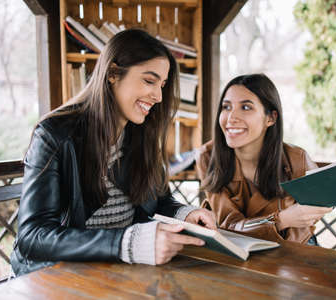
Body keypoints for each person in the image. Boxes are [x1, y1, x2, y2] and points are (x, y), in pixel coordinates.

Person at [11, 29, 215, 276]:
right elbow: (33, 237)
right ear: (112, 74)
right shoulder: (54, 134)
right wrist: (126, 243)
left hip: (120, 273)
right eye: (149, 81)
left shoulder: (141, 134)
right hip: (57, 276)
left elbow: (159, 201)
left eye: (162, 85)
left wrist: (187, 213)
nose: (159, 96)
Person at [196, 73, 331, 244]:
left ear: (271, 118)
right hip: (234, 246)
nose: (231, 118)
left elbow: (314, 213)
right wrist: (281, 220)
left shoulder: (298, 160)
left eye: (245, 107)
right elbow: (229, 226)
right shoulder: (207, 156)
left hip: (291, 250)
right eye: (226, 107)